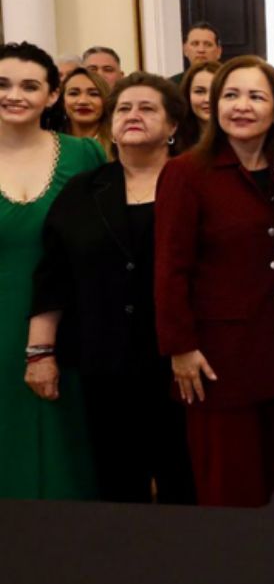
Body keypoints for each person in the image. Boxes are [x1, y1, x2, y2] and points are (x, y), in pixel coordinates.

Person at [27, 73, 195, 504]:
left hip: (181, 361)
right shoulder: (84, 189)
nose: (133, 115)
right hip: (104, 361)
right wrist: (40, 352)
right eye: (124, 108)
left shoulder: (197, 184)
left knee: (185, 481)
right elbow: (53, 275)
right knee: (118, 484)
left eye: (147, 108)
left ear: (173, 125)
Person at [154, 56, 274, 507]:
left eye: (256, 96)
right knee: (228, 489)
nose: (242, 106)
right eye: (231, 95)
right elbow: (170, 267)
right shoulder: (186, 173)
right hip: (216, 362)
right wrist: (180, 347)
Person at [1, 42, 106, 500]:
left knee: (71, 444)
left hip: (71, 325)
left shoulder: (85, 154)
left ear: (52, 95)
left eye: (29, 86)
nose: (14, 95)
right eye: (2, 84)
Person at [59, 68, 112, 151]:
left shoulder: (119, 145)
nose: (83, 101)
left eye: (93, 94)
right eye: (74, 93)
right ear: (62, 101)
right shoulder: (51, 143)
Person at [175, 61, 220, 152]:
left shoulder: (242, 140)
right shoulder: (172, 139)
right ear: (187, 95)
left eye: (215, 91)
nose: (207, 99)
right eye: (199, 91)